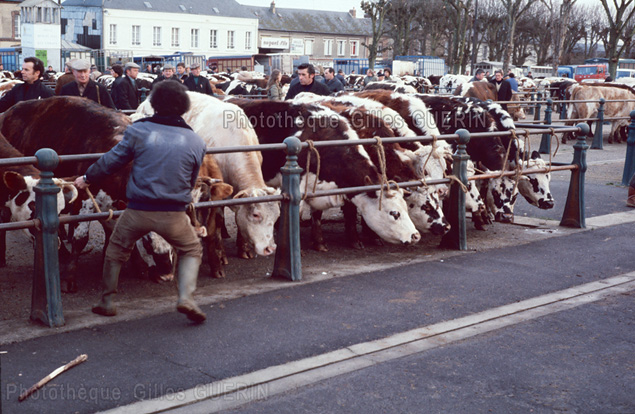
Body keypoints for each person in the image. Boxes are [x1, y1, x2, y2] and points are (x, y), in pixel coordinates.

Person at [74, 81, 207, 323]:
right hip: (174, 213)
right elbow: (191, 179)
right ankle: (186, 297)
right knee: (191, 249)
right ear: (184, 107)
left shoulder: (138, 131)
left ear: (154, 104)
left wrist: (86, 178)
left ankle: (107, 301)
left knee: (116, 251)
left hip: (138, 210)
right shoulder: (196, 141)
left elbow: (111, 161)